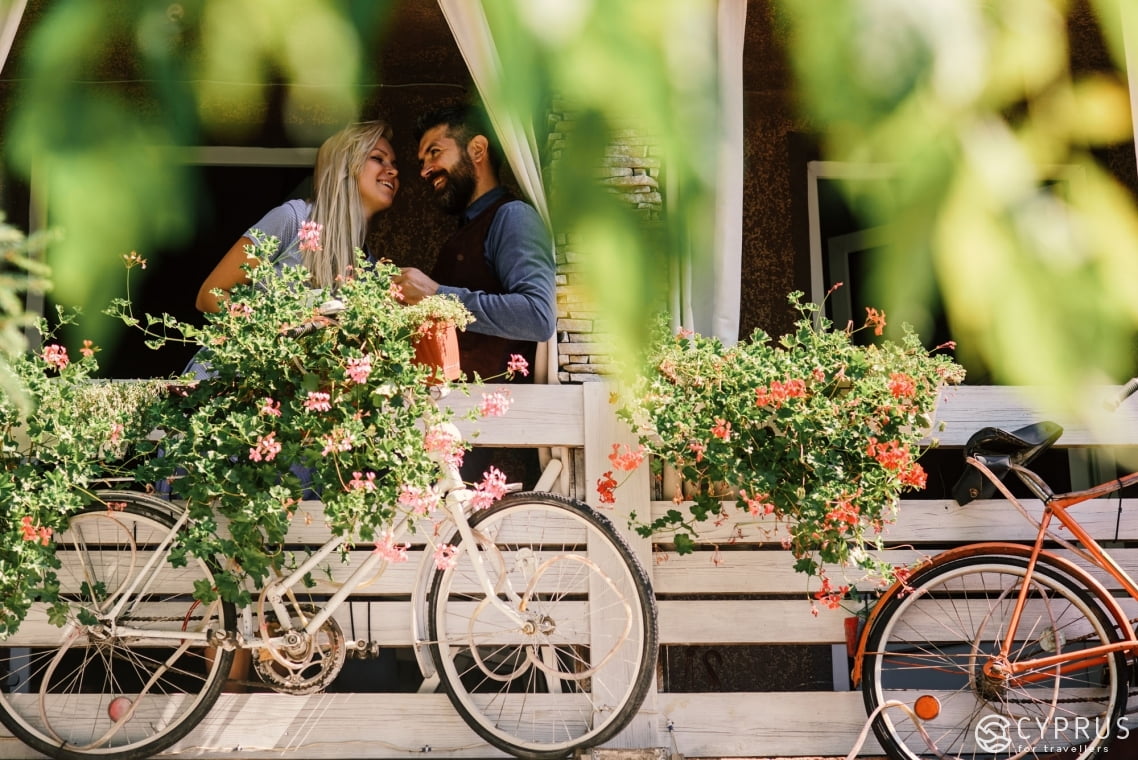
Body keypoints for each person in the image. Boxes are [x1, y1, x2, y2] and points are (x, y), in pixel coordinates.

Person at [393, 103, 556, 382]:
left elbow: (537, 316)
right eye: (422, 162)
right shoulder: (467, 229)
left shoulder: (512, 217)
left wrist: (436, 296)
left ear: (477, 149)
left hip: (506, 415)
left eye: (435, 152)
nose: (424, 170)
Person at [196, 119, 400, 313]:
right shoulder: (293, 219)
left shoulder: (369, 267)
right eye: (377, 158)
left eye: (393, 163)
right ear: (344, 167)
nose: (393, 171)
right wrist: (268, 334)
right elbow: (210, 294)